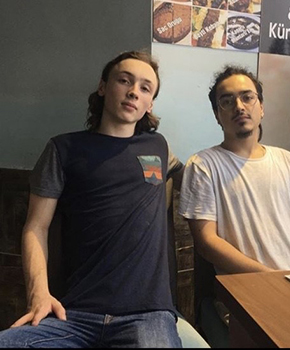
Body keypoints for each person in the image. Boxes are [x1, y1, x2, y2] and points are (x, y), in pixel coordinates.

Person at [0, 50, 184, 348]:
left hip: (147, 315)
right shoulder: (64, 149)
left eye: (145, 88)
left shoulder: (158, 147)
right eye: (125, 80)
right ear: (103, 87)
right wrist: (39, 295)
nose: (134, 92)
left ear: (150, 103)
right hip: (73, 316)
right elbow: (36, 226)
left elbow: (201, 181)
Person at [178, 65, 290, 340]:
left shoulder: (287, 160)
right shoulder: (203, 165)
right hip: (247, 293)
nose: (239, 106)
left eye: (247, 97)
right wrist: (272, 279)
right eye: (227, 100)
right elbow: (206, 242)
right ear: (217, 115)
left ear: (261, 108)